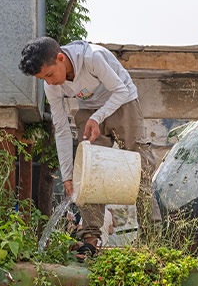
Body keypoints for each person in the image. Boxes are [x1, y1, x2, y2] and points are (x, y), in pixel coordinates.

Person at [18, 37, 157, 254]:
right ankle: (91, 238)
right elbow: (62, 130)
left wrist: (98, 117)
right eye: (42, 79)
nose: (50, 82)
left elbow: (120, 91)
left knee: (140, 168)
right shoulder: (51, 86)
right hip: (89, 110)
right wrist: (67, 176)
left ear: (61, 58)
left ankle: (153, 238)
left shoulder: (93, 57)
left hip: (124, 102)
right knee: (89, 172)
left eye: (49, 75)